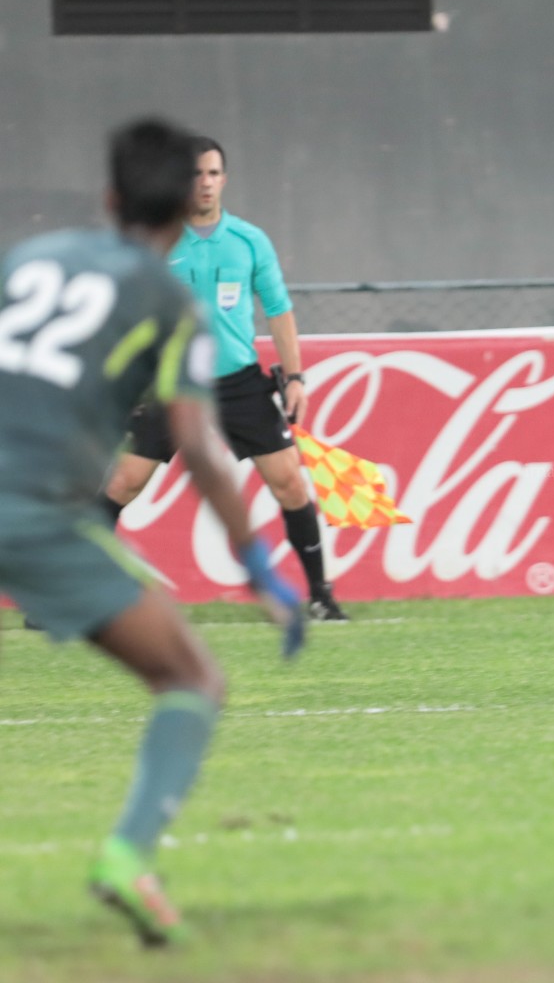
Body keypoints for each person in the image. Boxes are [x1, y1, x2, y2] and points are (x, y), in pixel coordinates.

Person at [0, 118, 304, 946]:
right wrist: (258, 567)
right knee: (192, 679)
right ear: (183, 209)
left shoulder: (31, 260)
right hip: (30, 514)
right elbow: (201, 447)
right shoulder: (167, 299)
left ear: (108, 197)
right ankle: (128, 857)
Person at [99, 137, 347, 621]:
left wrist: (295, 377)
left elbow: (278, 311)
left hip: (238, 383)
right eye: (195, 175)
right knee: (123, 483)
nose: (205, 183)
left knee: (291, 485)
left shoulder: (250, 241)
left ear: (224, 179)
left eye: (213, 173)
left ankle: (321, 595)